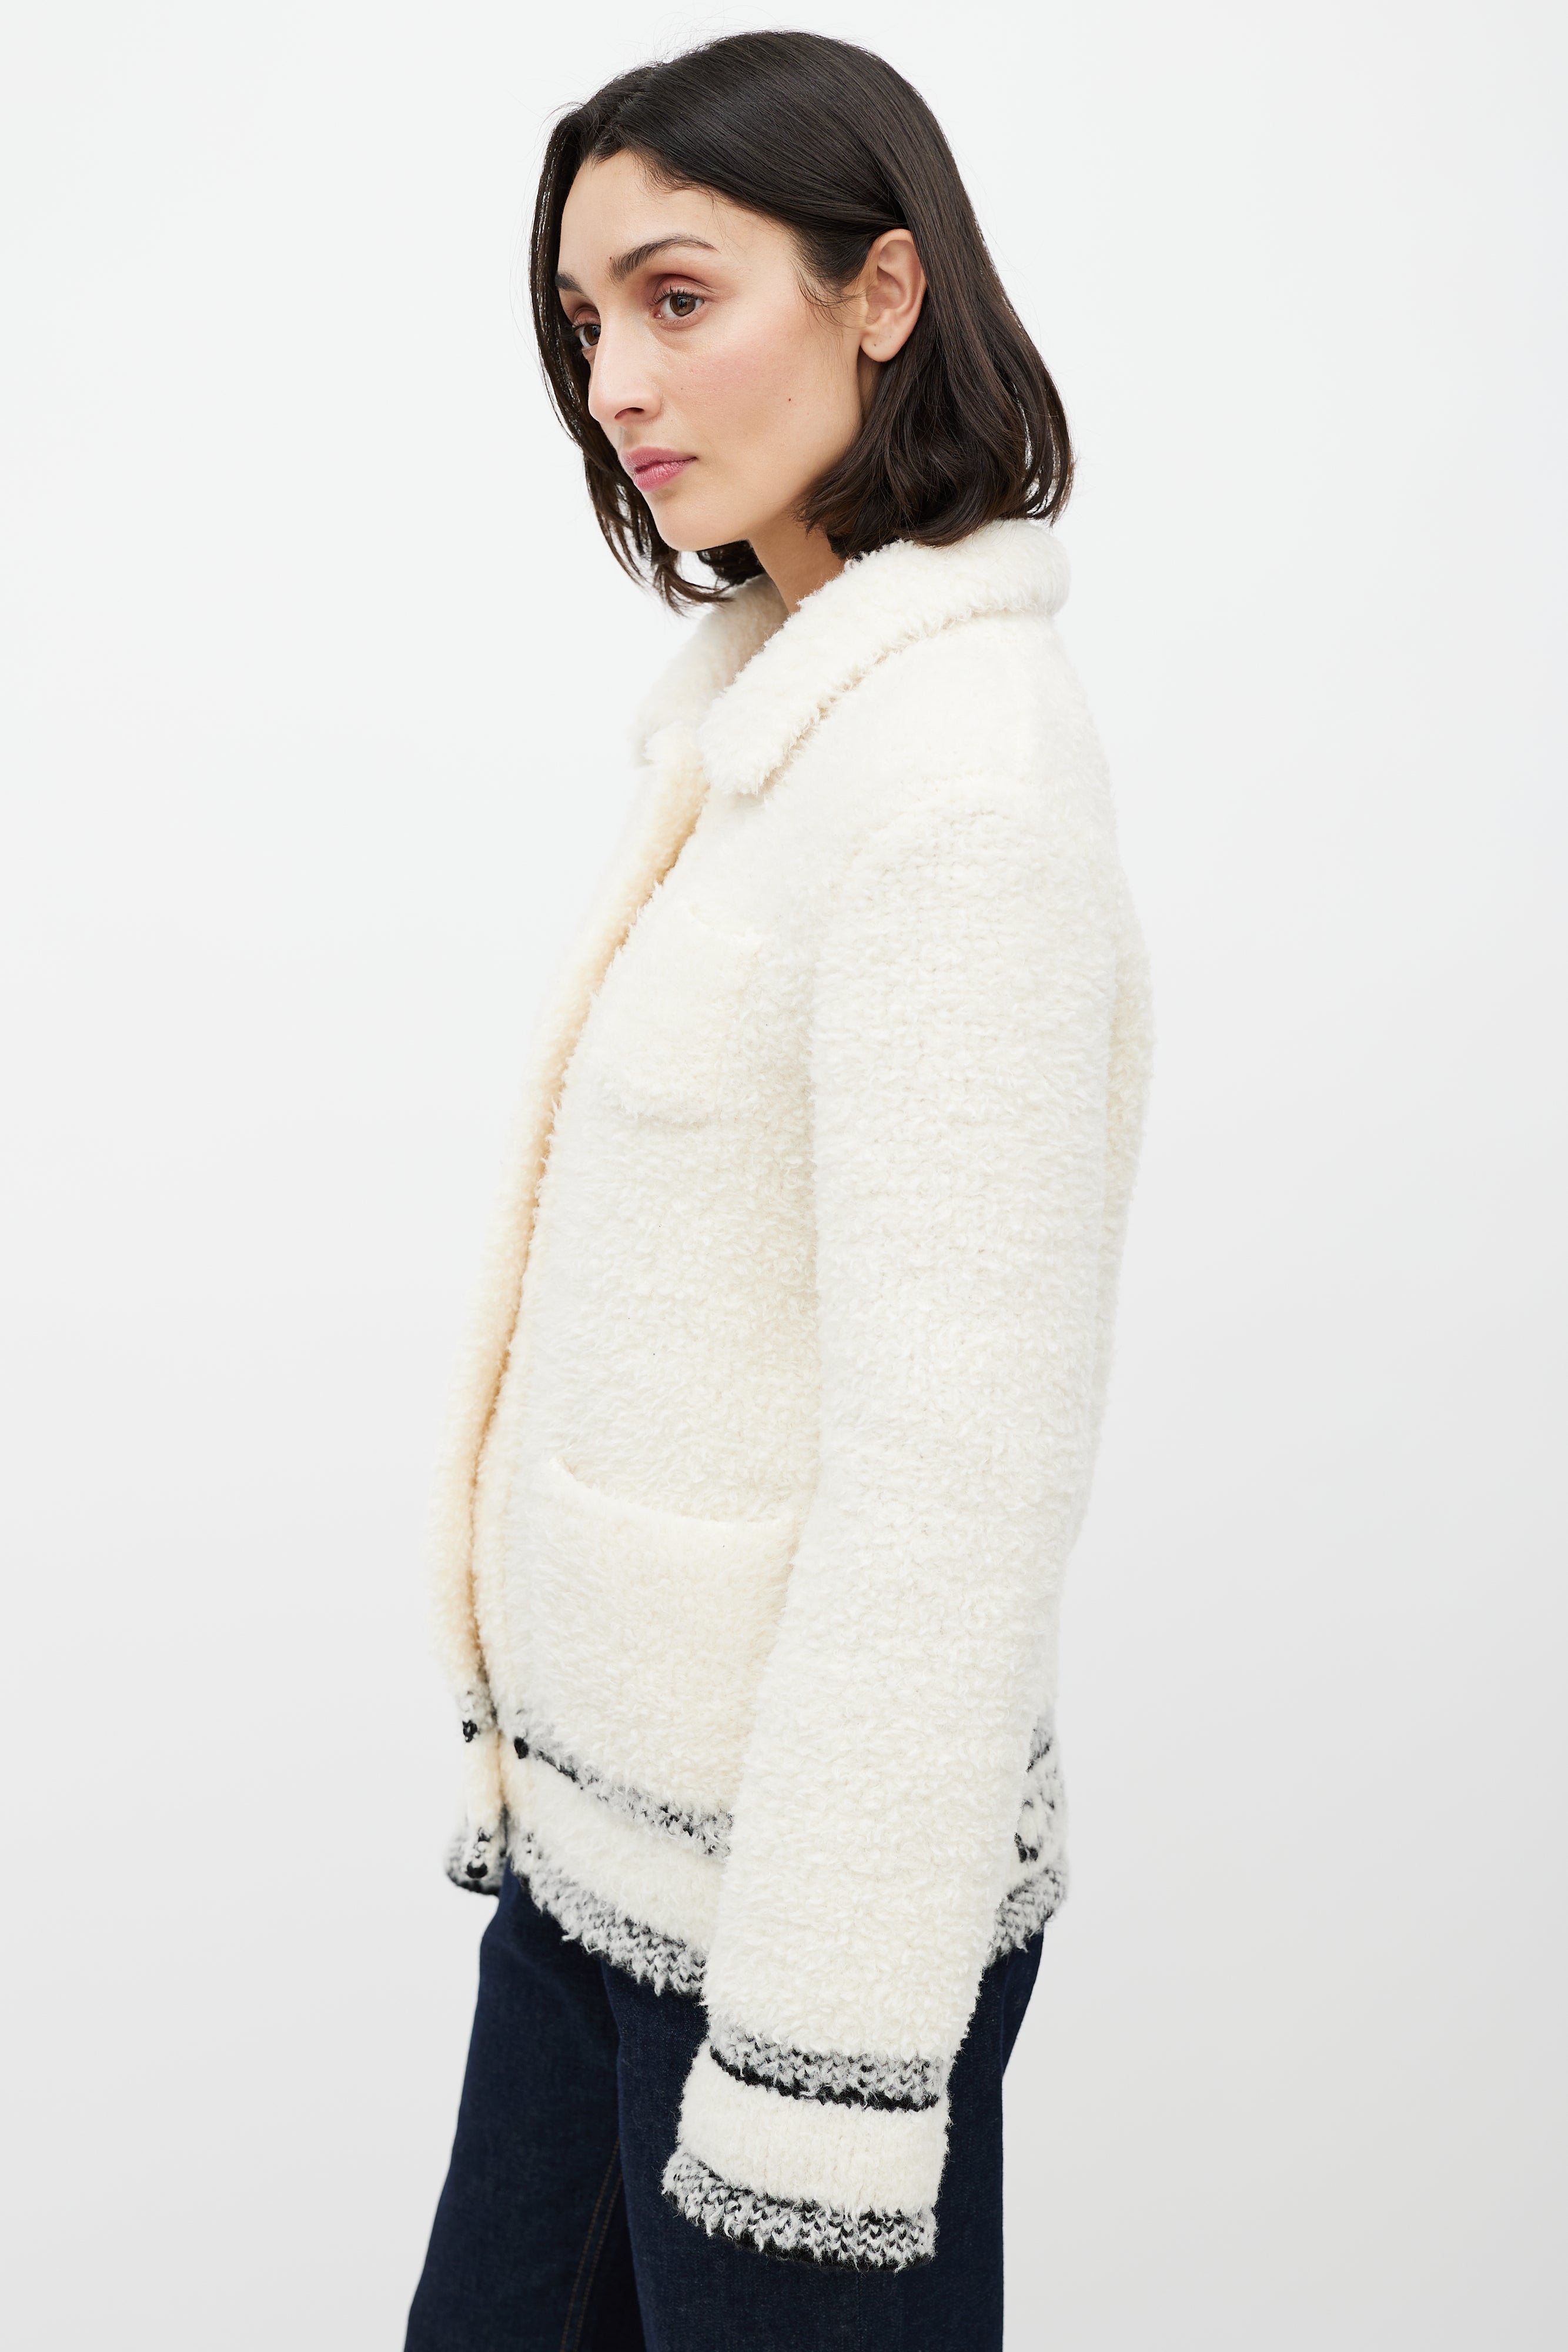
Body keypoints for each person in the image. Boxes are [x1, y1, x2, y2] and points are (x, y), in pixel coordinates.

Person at [406, 29, 1154, 2351]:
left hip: (792, 1934)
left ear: (882, 292)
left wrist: (820, 2052)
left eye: (676, 296)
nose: (615, 382)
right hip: (600, 1867)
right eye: (584, 321)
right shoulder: (777, 722)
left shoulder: (952, 782)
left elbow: (957, 1478)